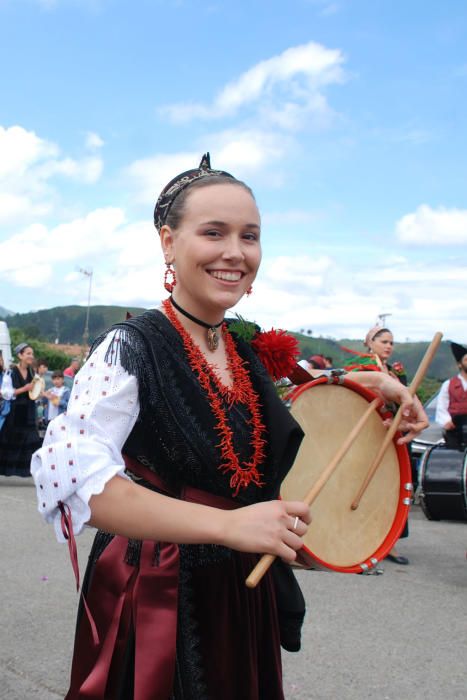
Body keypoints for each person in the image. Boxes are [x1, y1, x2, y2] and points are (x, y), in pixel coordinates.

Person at [31, 154, 427, 699]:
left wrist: (383, 387)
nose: (235, 253)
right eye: (213, 232)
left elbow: (308, 384)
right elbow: (84, 487)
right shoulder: (130, 348)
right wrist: (229, 526)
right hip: (156, 583)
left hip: (241, 587)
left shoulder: (242, 346)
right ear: (168, 243)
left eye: (251, 236)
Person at [358, 326, 412, 566]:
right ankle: (363, 543)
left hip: (396, 434)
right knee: (368, 487)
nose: (389, 346)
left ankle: (390, 543)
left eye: (392, 342)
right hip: (371, 433)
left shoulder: (395, 373)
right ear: (370, 342)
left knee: (393, 487)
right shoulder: (361, 369)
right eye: (384, 341)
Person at [0, 342, 42, 477]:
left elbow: (34, 391)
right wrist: (25, 388)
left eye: (32, 354)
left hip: (28, 411)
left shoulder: (32, 372)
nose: (31, 356)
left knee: (31, 440)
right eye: (28, 353)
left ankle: (32, 471)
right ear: (20, 355)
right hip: (15, 412)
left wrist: (37, 392)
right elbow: (5, 393)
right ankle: (6, 470)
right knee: (10, 440)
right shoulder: (11, 372)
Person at [435, 341, 467, 450]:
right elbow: (441, 407)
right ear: (459, 364)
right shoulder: (448, 384)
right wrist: (447, 422)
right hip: (455, 430)